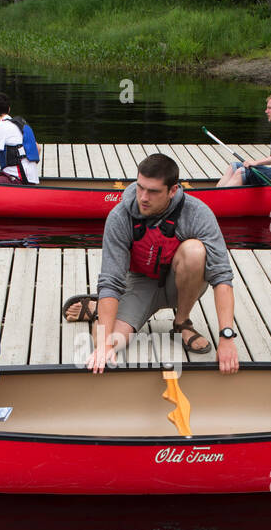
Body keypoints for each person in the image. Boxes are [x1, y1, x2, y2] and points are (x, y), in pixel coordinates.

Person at [63, 153, 240, 374]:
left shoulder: (197, 213)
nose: (143, 197)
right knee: (104, 340)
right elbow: (111, 280)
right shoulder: (120, 216)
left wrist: (226, 337)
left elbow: (222, 276)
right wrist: (105, 345)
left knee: (195, 251)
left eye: (153, 191)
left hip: (180, 283)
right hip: (138, 283)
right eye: (140, 187)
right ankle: (99, 307)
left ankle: (182, 322)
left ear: (173, 190)